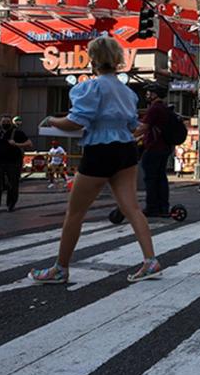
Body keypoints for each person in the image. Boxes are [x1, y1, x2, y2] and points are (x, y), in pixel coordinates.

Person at [28, 36, 160, 283]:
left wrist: (52, 121)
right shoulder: (127, 92)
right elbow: (135, 126)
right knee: (132, 208)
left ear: (93, 59)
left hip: (99, 151)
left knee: (75, 212)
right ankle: (150, 260)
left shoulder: (90, 87)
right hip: (126, 150)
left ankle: (60, 269)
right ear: (118, 59)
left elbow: (76, 121)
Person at [0, 114, 31, 213]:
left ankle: (11, 204)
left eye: (7, 122)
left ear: (11, 122)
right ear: (0, 122)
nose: (5, 123)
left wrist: (17, 144)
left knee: (12, 184)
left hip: (13, 163)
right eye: (3, 122)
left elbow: (29, 144)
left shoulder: (17, 133)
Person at [136, 85, 172, 217]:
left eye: (149, 92)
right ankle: (163, 207)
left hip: (154, 147)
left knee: (150, 178)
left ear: (155, 94)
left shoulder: (154, 109)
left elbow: (144, 127)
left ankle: (152, 207)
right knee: (161, 177)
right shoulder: (164, 107)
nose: (147, 94)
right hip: (164, 147)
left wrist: (129, 136)